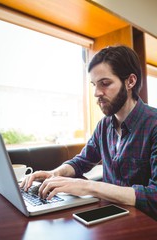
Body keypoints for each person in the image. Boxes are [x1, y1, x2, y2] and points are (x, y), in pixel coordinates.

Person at [21, 45, 157, 219]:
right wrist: (55, 173)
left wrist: (87, 186)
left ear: (130, 81)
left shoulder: (153, 125)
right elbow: (81, 162)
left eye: (105, 83)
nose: (96, 93)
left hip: (144, 224)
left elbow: (154, 197)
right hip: (112, 218)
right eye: (94, 84)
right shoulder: (104, 126)